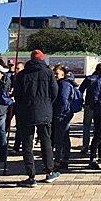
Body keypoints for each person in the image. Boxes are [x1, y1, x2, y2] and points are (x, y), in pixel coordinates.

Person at [14, 50, 60, 187]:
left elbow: (17, 95)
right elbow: (54, 92)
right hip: (44, 111)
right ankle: (49, 171)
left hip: (26, 112)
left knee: (27, 145)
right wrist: (47, 103)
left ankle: (31, 176)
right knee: (46, 142)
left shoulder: (22, 74)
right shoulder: (48, 73)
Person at [52, 65, 76, 170]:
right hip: (64, 114)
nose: (55, 75)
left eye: (57, 73)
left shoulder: (64, 84)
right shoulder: (63, 83)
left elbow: (63, 100)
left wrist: (59, 113)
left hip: (62, 115)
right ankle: (65, 159)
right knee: (65, 137)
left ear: (63, 73)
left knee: (59, 139)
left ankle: (58, 161)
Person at [78, 63, 101, 154]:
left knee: (86, 126)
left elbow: (80, 90)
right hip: (100, 106)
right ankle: (97, 147)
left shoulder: (89, 78)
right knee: (98, 128)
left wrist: (81, 102)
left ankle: (85, 146)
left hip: (89, 104)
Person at [9, 61, 25, 156]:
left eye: (18, 68)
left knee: (20, 126)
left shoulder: (25, 78)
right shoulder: (11, 77)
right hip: (12, 103)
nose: (16, 70)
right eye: (15, 68)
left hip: (22, 105)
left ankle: (18, 146)